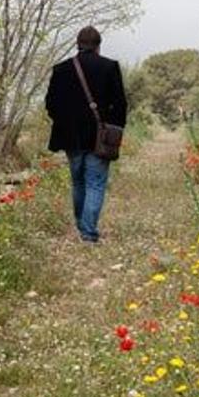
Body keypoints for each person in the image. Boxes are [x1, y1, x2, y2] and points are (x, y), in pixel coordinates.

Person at [44, 26, 128, 243]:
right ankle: (88, 232)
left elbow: (51, 104)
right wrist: (114, 131)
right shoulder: (109, 67)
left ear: (78, 44)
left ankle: (82, 227)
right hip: (99, 137)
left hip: (70, 137)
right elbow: (120, 105)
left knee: (78, 182)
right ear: (98, 45)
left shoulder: (61, 69)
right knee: (95, 183)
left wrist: (64, 123)